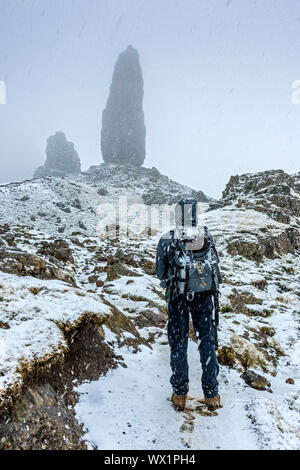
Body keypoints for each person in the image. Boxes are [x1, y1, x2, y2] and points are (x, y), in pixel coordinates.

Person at [156, 197, 222, 412]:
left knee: (179, 344)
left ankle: (180, 394)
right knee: (207, 343)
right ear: (195, 214)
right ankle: (211, 395)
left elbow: (161, 273)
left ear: (177, 215)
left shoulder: (168, 239)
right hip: (204, 298)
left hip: (178, 299)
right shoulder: (206, 236)